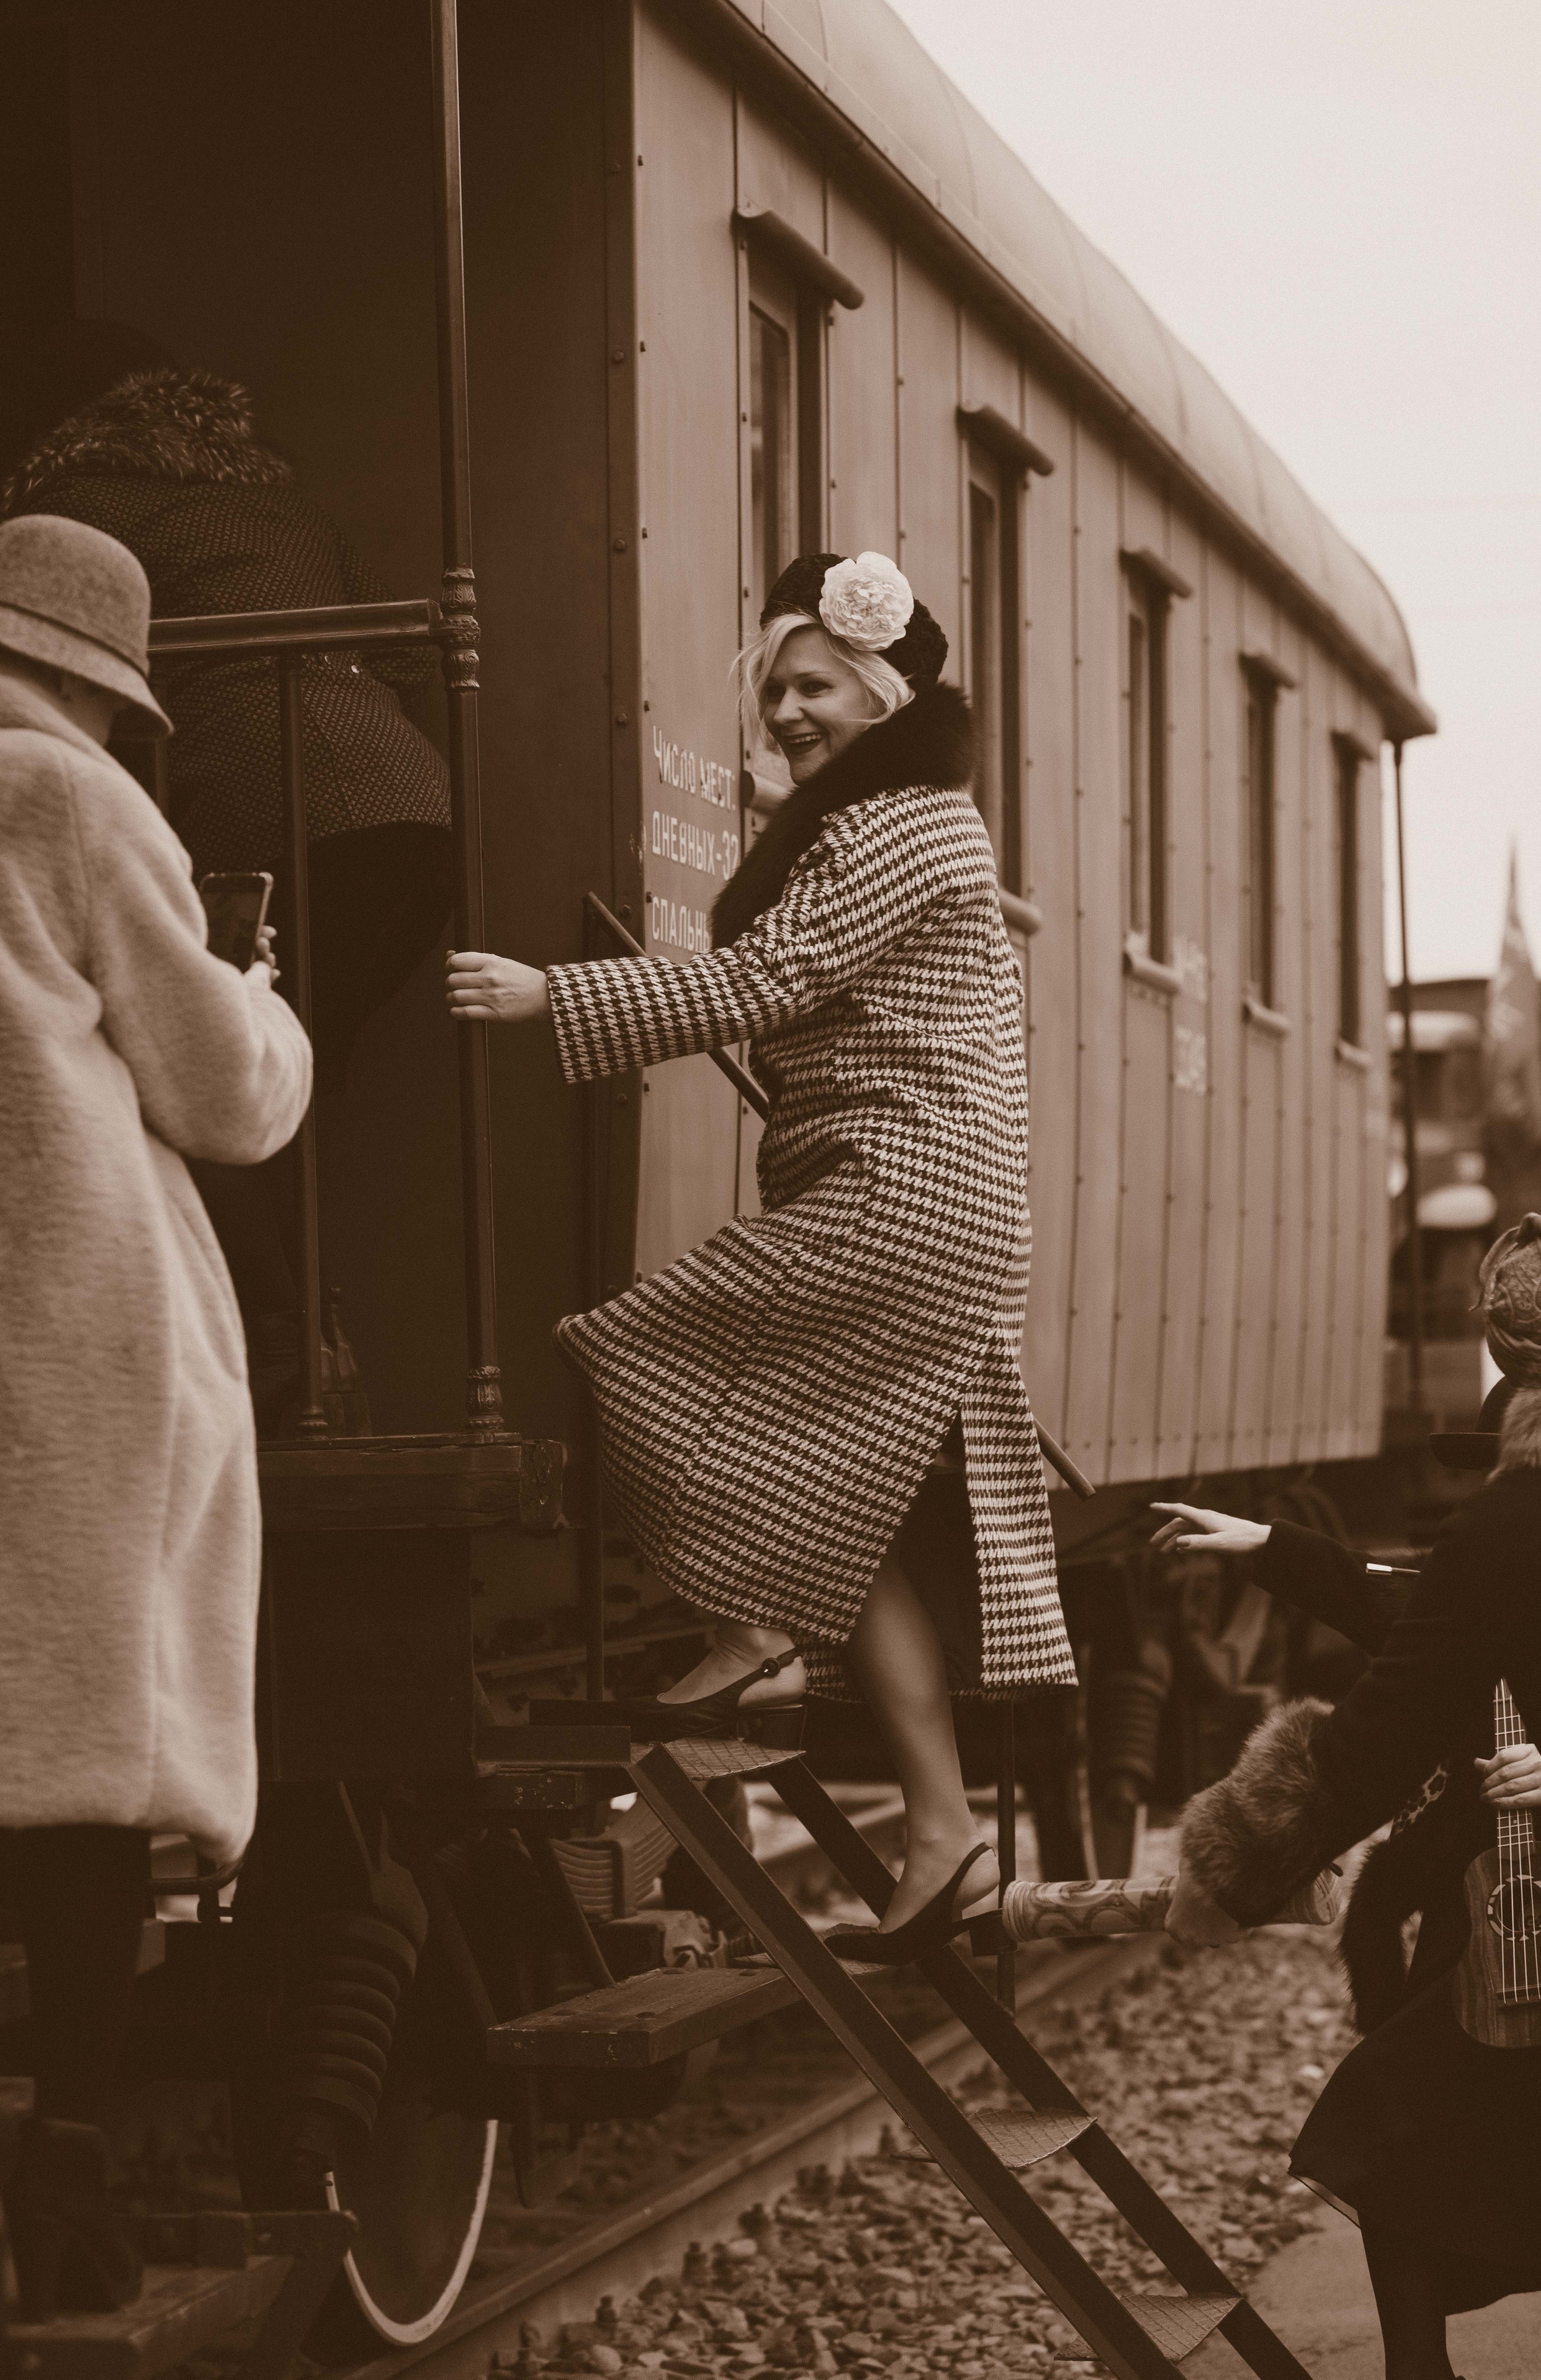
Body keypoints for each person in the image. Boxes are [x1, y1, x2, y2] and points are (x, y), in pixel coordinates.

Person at [447, 550, 1075, 1959]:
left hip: (902, 1190)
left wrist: (552, 995)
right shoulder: (891, 821)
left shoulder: (907, 823)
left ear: (882, 694)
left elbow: (768, 978)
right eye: (775, 690)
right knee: (857, 1522)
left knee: (629, 1350)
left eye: (814, 687)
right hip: (928, 1194)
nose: (786, 711)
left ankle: (752, 1628)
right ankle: (945, 1835)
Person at [0, 515, 313, 2315]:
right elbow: (224, 1094)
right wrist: (263, 997)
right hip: (56, 1328)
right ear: (90, 682)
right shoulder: (71, 801)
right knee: (82, 1753)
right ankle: (71, 2177)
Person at [0, 355, 453, 1421]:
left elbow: (36, 641)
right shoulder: (284, 504)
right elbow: (403, 665)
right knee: (267, 1082)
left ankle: (287, 1358)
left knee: (200, 1079)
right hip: (411, 815)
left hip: (263, 807)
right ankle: (314, 1347)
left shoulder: (79, 507)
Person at [1150, 1215, 1541, 2380]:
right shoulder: (1506, 1524)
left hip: (1514, 1902)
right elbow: (1435, 1607)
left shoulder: (1512, 1513)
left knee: (1387, 2130)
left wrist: (1231, 1867)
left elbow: (1391, 1712)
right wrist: (1270, 1543)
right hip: (1504, 1890)